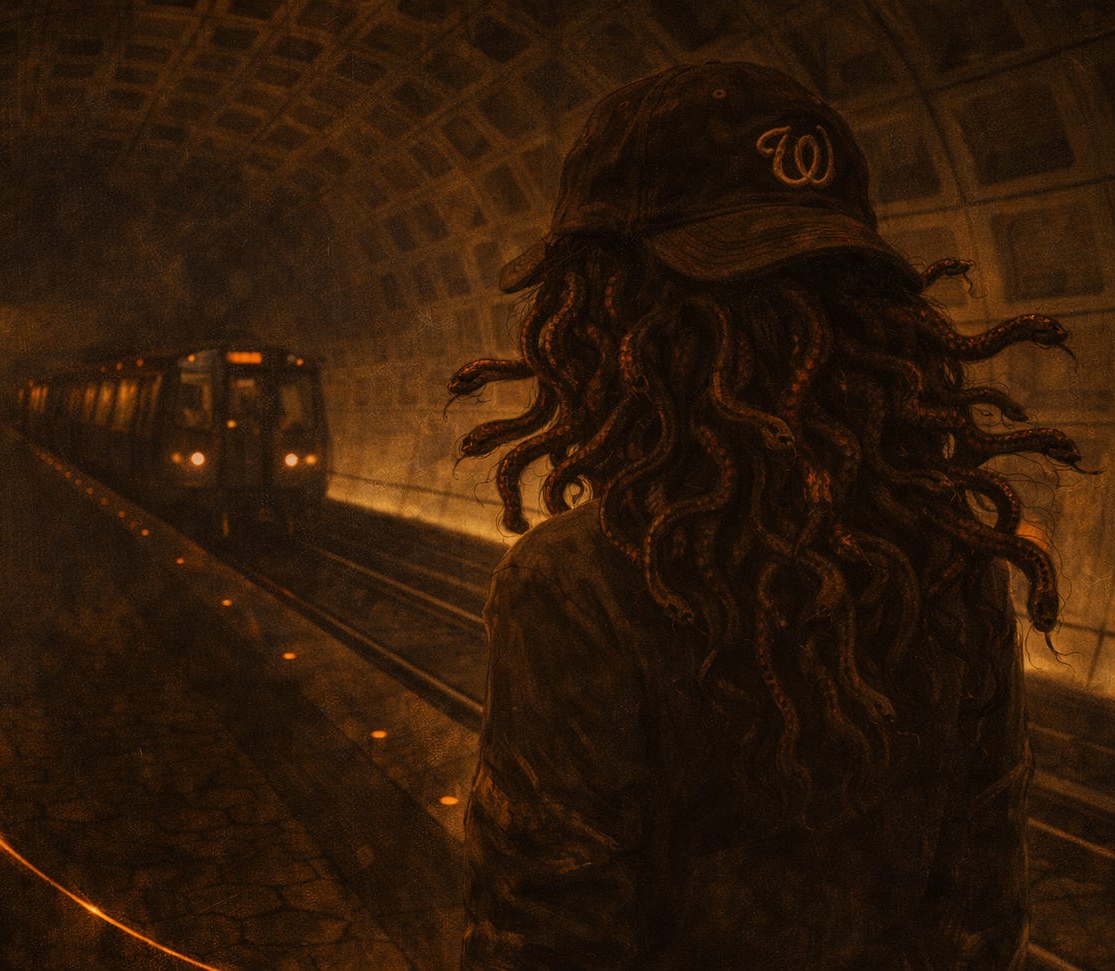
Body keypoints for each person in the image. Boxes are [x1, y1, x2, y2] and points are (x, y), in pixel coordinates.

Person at [451, 61, 1082, 969]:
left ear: (607, 315)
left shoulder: (575, 588)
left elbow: (544, 937)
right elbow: (983, 914)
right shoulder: (952, 557)